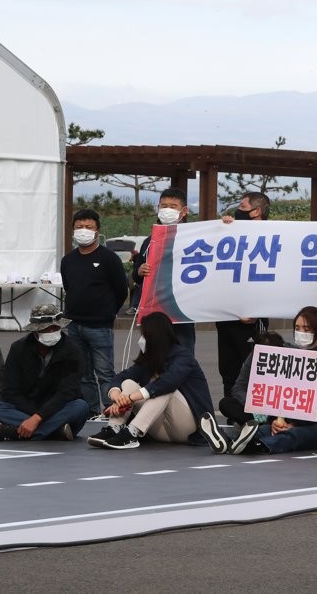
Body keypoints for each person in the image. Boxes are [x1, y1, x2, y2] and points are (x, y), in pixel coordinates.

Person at [200, 306, 317, 455]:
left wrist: (294, 422)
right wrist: (277, 418)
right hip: (285, 416)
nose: (301, 333)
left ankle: (254, 445)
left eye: (306, 330)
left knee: (296, 435)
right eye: (298, 328)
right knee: (266, 429)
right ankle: (226, 440)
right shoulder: (288, 353)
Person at [86, 312, 214, 450]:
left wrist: (129, 398)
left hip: (189, 429)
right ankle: (114, 428)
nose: (141, 338)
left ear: (155, 335)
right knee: (128, 383)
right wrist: (117, 397)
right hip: (161, 431)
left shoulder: (183, 356)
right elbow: (121, 377)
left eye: (144, 334)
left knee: (162, 389)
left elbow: (167, 383)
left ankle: (131, 433)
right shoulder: (148, 358)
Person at [60, 207, 129, 418]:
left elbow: (121, 290)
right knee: (82, 374)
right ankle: (90, 413)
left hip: (100, 326)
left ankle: (112, 413)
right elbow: (68, 287)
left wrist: (108, 312)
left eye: (88, 227)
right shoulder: (68, 260)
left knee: (105, 373)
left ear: (97, 231)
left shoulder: (109, 258)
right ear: (73, 230)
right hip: (74, 325)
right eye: (79, 227)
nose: (83, 230)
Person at [0, 304, 87, 441]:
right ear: (35, 332)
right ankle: (54, 432)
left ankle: (15, 432)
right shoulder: (18, 349)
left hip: (57, 407)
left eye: (55, 328)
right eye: (46, 329)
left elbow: (67, 392)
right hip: (25, 407)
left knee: (81, 407)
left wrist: (38, 418)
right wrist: (34, 416)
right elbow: (10, 391)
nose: (52, 332)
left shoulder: (73, 350)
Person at [215, 192, 271, 397]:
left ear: (256, 211)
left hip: (252, 321)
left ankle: (253, 417)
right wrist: (224, 227)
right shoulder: (232, 231)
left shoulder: (274, 235)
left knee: (252, 371)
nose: (238, 211)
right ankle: (232, 415)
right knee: (228, 371)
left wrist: (259, 310)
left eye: (242, 207)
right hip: (226, 317)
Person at [131, 187, 197, 352]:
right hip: (155, 313)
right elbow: (135, 276)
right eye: (163, 206)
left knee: (184, 358)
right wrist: (139, 272)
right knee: (153, 359)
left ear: (184, 211)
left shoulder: (195, 238)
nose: (167, 210)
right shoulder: (150, 241)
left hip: (182, 312)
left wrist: (226, 225)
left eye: (173, 206)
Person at [202, 330, 286, 453]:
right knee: (225, 403)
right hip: (256, 411)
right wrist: (255, 405)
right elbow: (238, 388)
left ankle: (243, 434)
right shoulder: (254, 357)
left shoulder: (291, 358)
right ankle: (246, 430)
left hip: (280, 412)